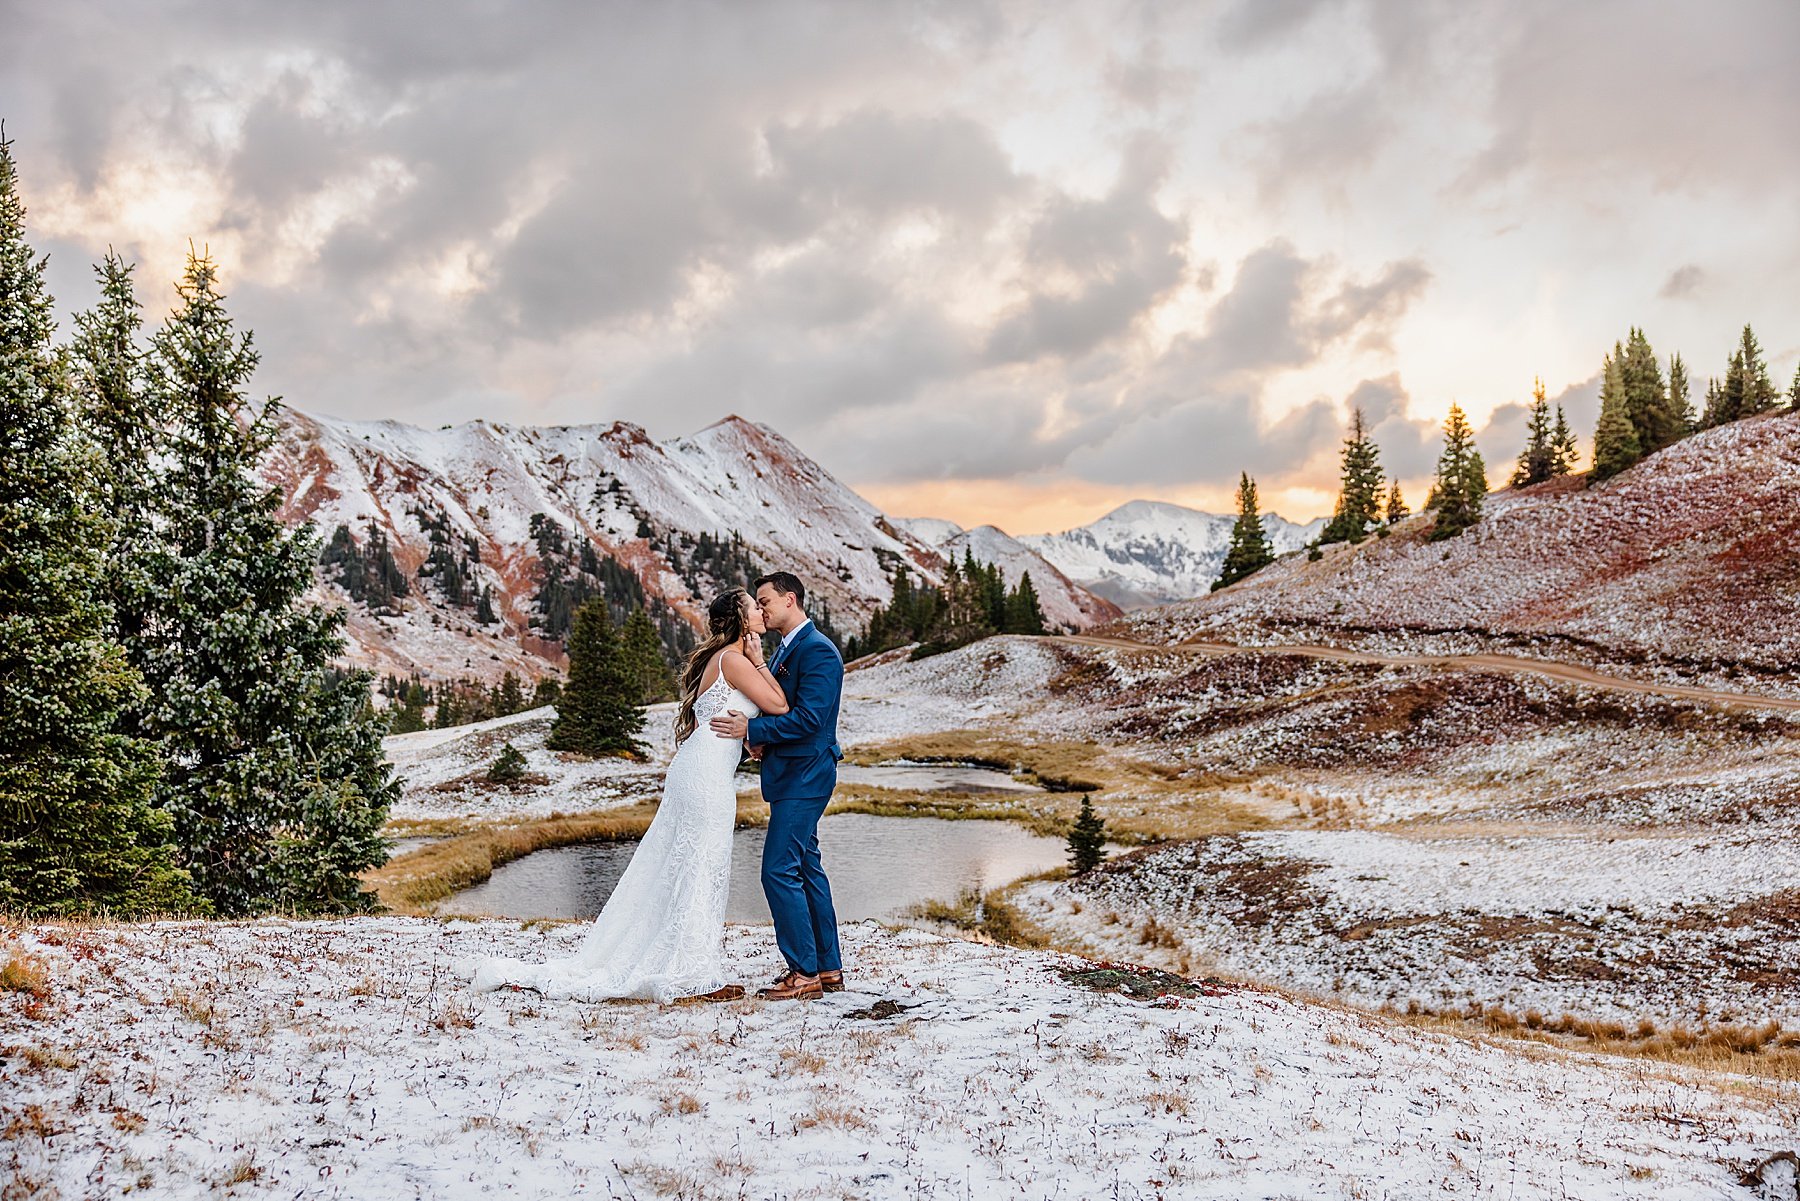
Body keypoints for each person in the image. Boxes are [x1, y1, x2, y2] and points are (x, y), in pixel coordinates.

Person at [468, 588, 789, 1003]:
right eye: (754, 608)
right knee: (701, 867)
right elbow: (779, 705)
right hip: (706, 775)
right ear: (742, 620)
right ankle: (690, 976)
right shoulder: (734, 660)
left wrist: (748, 740)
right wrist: (760, 661)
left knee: (689, 866)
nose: (762, 613)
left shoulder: (722, 660)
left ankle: (692, 968)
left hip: (701, 769)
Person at [709, 571, 845, 1001]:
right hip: (791, 773)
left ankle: (803, 973)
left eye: (765, 600)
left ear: (790, 600)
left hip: (807, 775)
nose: (761, 608)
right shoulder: (789, 648)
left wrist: (754, 730)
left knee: (777, 870)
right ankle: (827, 969)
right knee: (805, 868)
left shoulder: (819, 651)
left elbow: (810, 718)